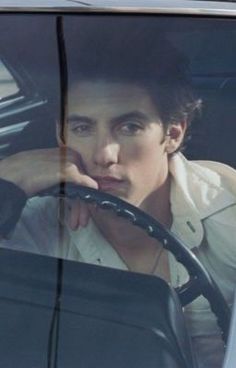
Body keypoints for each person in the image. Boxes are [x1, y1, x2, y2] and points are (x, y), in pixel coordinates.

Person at [0, 18, 235, 368]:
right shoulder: (35, 219)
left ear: (173, 134)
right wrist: (8, 179)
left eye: (129, 127)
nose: (103, 154)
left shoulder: (227, 211)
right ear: (61, 135)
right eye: (81, 127)